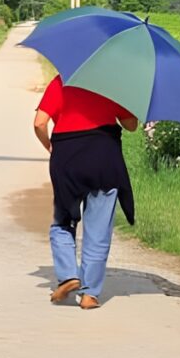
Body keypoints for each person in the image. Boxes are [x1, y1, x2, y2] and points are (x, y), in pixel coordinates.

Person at [33, 76, 136, 310]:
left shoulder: (61, 82)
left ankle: (69, 274)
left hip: (67, 156)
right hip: (104, 156)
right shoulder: (113, 83)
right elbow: (131, 125)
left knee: (63, 220)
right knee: (98, 229)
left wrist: (49, 145)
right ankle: (90, 294)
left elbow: (39, 122)